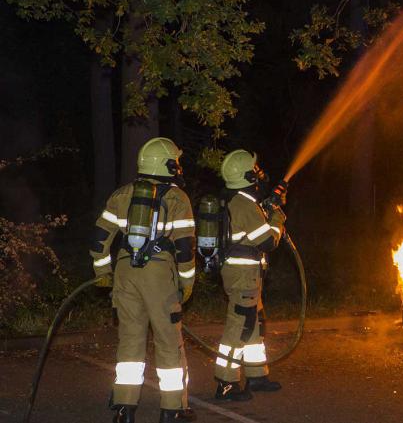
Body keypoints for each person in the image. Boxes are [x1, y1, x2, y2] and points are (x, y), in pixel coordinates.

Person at [90, 137, 197, 422]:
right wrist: (187, 282)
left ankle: (124, 408)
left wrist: (103, 273)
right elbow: (186, 248)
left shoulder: (121, 194)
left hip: (125, 272)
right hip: (159, 275)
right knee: (168, 341)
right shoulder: (177, 198)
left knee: (130, 341)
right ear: (170, 165)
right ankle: (172, 409)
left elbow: (99, 239)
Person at [213, 149, 286, 401]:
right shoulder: (244, 204)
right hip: (243, 276)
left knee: (253, 323)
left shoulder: (239, 200)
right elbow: (267, 241)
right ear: (247, 175)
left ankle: (256, 375)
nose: (259, 172)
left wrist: (267, 208)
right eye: (255, 169)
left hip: (244, 275)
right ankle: (226, 382)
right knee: (240, 326)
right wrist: (277, 216)